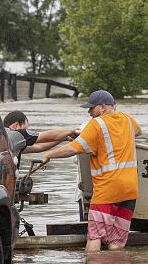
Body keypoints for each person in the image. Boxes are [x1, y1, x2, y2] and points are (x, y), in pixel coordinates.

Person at [41, 90, 142, 252]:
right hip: (130, 191)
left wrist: (49, 154)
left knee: (95, 236)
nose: (89, 113)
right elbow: (138, 132)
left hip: (107, 190)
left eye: (91, 108)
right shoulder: (128, 119)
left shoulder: (96, 124)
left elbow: (73, 149)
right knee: (117, 241)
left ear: (102, 107)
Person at [2, 110, 77, 165]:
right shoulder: (18, 134)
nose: (27, 131)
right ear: (16, 125)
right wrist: (73, 130)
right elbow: (51, 136)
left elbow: (39, 147)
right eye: (26, 129)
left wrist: (64, 138)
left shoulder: (6, 139)